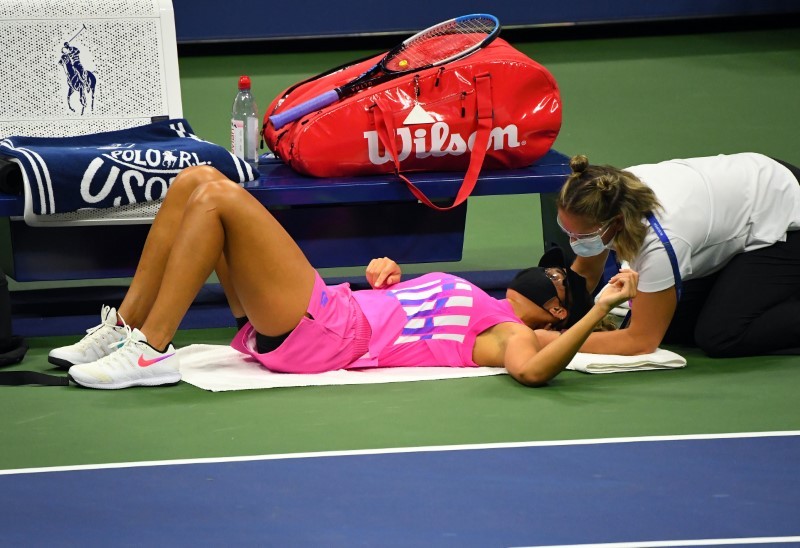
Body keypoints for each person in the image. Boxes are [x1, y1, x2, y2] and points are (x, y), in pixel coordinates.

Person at [49, 165, 637, 389]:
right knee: (193, 181)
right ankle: (123, 328)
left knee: (217, 200)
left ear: (557, 312)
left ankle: (150, 350)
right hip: (325, 314)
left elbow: (535, 371)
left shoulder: (510, 334)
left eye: (557, 281)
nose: (546, 271)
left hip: (323, 332)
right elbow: (407, 329)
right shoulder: (474, 298)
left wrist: (594, 311)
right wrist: (389, 283)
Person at [545, 152, 800, 357]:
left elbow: (640, 341)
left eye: (583, 236)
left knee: (721, 334)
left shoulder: (661, 240)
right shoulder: (607, 193)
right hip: (746, 203)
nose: (573, 241)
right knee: (674, 325)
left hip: (786, 215)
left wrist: (553, 342)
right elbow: (585, 273)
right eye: (566, 229)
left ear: (617, 222)